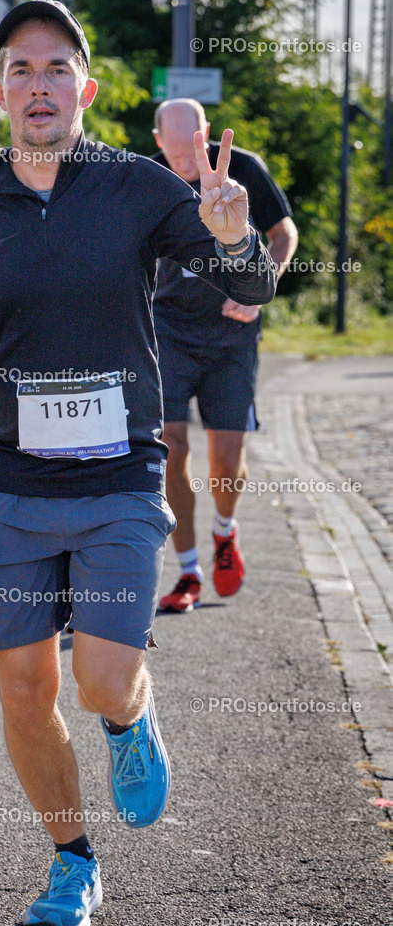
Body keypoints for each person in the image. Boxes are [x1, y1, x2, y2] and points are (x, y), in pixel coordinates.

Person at [0, 0, 276, 925]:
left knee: (101, 678)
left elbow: (250, 285)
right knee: (24, 686)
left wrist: (232, 237)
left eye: (55, 68)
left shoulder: (140, 187)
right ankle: (71, 862)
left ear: (84, 89)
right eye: (20, 70)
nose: (37, 85)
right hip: (15, 476)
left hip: (118, 472)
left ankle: (130, 722)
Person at [151, 99, 298, 614]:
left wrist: (264, 287)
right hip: (167, 332)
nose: (186, 154)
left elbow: (284, 234)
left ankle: (224, 531)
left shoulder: (245, 168)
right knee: (168, 448)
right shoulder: (148, 182)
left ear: (206, 132)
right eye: (173, 144)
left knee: (226, 460)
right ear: (157, 141)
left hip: (231, 335)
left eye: (193, 140)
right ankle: (188, 571)